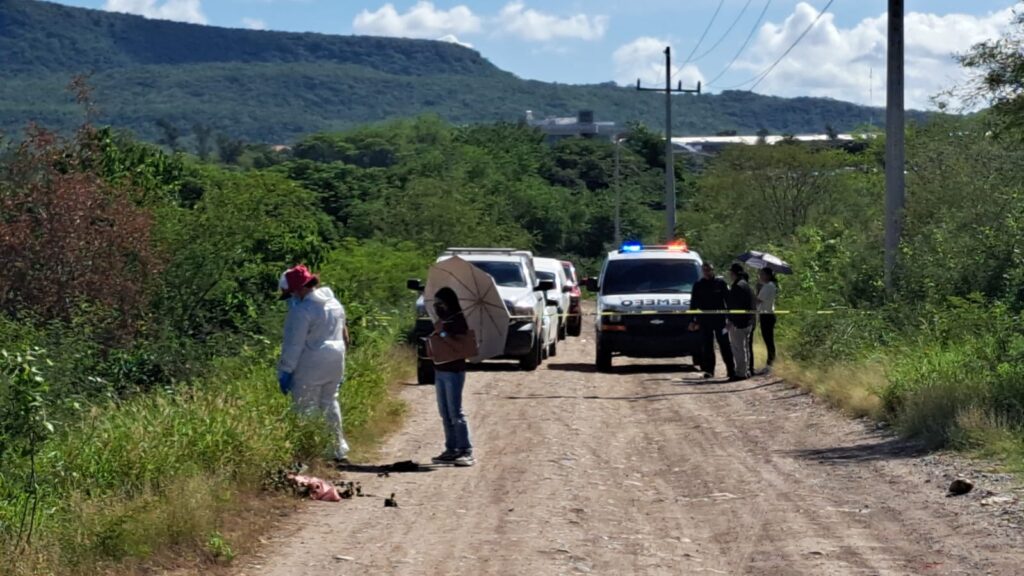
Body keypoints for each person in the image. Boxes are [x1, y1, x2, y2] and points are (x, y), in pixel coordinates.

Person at [277, 264, 351, 464]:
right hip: (336, 360)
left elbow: (294, 344)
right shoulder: (334, 304)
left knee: (305, 406)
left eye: (291, 293)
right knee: (330, 403)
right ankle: (336, 449)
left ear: (298, 289)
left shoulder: (302, 310)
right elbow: (345, 335)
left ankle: (308, 452)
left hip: (311, 362)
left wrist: (285, 370)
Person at [430, 287, 475, 467]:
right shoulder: (443, 320)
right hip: (440, 369)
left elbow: (458, 346)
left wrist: (441, 332)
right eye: (436, 304)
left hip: (454, 371)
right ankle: (451, 448)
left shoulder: (459, 321)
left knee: (456, 412)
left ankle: (466, 450)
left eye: (440, 303)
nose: (438, 307)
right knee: (445, 413)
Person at [691, 263, 736, 379]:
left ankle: (731, 370)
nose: (707, 272)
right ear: (702, 271)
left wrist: (730, 318)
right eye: (704, 270)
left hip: (720, 320)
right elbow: (693, 304)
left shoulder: (720, 283)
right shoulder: (698, 285)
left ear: (713, 270)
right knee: (707, 346)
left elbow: (729, 301)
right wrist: (692, 320)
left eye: (709, 270)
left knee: (725, 344)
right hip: (704, 320)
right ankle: (709, 371)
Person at [725, 263, 756, 381]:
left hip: (738, 323)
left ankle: (740, 373)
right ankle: (746, 370)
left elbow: (733, 306)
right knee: (745, 347)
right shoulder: (747, 285)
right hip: (748, 321)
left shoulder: (737, 286)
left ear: (734, 273)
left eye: (731, 273)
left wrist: (731, 320)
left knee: (738, 348)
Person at [757, 268, 779, 370]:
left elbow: (759, 300)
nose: (760, 276)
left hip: (767, 315)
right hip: (767, 314)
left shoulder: (768, 286)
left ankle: (770, 363)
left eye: (762, 274)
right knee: (768, 339)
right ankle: (770, 361)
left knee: (768, 340)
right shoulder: (769, 286)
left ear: (768, 275)